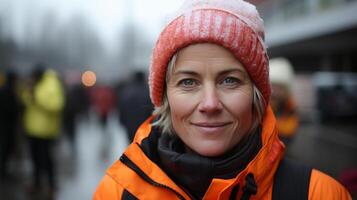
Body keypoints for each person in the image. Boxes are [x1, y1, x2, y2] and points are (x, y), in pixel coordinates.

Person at [94, 0, 352, 199]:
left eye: (229, 80)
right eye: (188, 82)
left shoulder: (318, 194)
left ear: (257, 94)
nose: (210, 104)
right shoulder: (118, 193)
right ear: (165, 98)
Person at [21, 65, 64, 198]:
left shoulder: (52, 84)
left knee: (47, 159)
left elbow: (57, 105)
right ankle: (36, 183)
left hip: (46, 131)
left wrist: (36, 97)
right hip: (32, 129)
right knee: (34, 159)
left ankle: (51, 185)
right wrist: (28, 93)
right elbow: (26, 101)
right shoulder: (34, 84)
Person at [269, 58, 299, 144]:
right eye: (272, 85)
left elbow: (289, 131)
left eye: (280, 87)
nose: (275, 91)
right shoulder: (260, 106)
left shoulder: (290, 107)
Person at [118, 71, 153, 143]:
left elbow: (122, 110)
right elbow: (152, 111)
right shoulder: (148, 92)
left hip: (130, 126)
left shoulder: (126, 92)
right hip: (144, 127)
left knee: (131, 146)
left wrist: (123, 122)